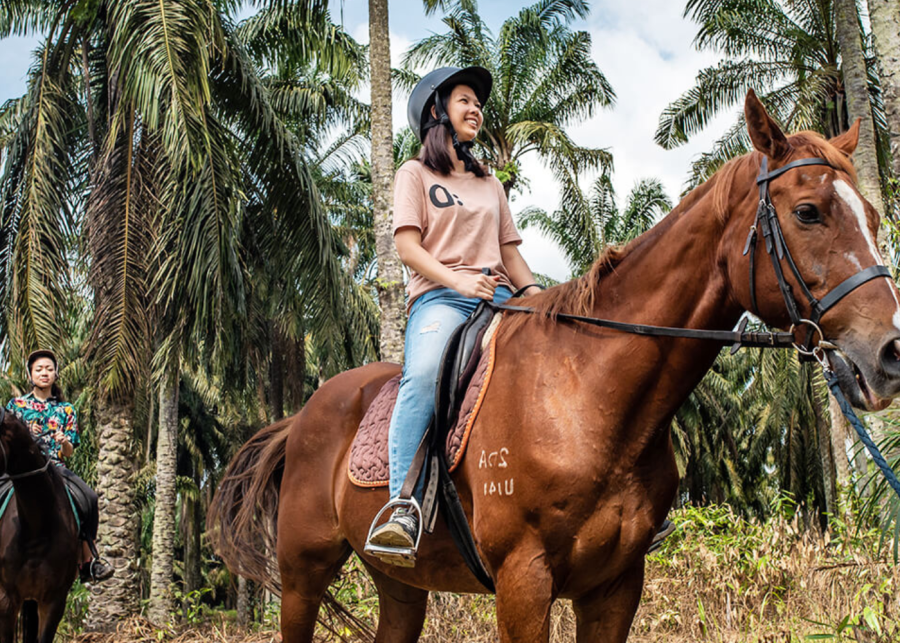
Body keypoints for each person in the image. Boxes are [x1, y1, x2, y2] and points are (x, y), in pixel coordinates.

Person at [365, 66, 543, 566]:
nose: (476, 109)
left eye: (478, 103)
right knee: (421, 375)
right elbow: (406, 246)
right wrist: (457, 279)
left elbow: (511, 254)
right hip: (441, 300)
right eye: (464, 99)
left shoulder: (489, 184)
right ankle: (402, 507)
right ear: (436, 111)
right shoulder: (414, 174)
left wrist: (538, 297)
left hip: (501, 298)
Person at [6, 349, 114, 583]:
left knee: (90, 498)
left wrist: (64, 441)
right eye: (39, 369)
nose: (44, 373)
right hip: (18, 470)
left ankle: (89, 561)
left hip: (54, 468)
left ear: (55, 374)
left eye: (49, 369)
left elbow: (69, 452)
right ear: (30, 374)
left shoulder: (66, 410)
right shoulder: (16, 405)